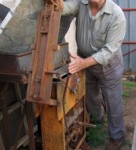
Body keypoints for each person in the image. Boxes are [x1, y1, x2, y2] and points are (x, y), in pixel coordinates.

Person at [62, 0, 126, 150]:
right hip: (85, 62)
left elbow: (109, 51)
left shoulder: (117, 15)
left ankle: (117, 136)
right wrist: (55, 3)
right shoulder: (82, 4)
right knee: (91, 97)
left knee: (113, 102)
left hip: (108, 66)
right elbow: (63, 7)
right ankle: (97, 121)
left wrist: (83, 63)